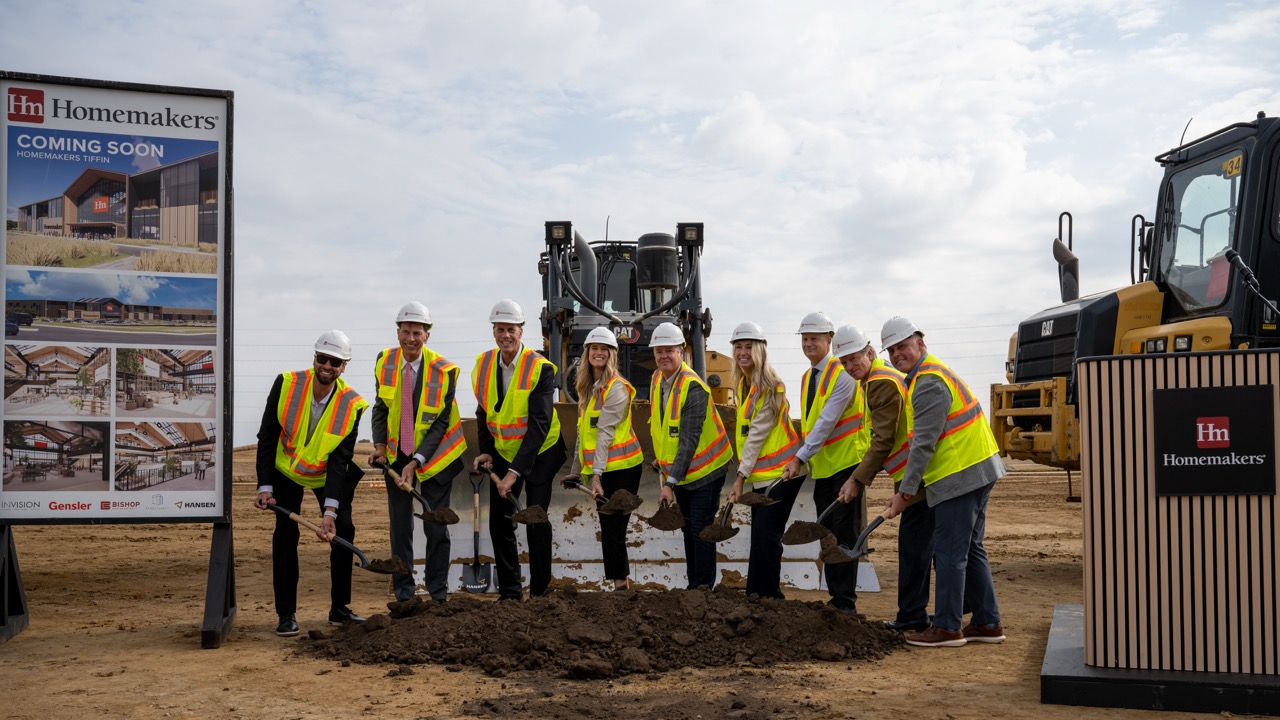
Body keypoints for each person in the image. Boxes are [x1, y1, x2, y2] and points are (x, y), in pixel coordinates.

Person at [880, 316, 1007, 648]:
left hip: (959, 473)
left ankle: (949, 627)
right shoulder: (928, 375)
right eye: (892, 351)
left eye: (902, 347)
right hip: (977, 467)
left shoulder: (928, 382)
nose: (897, 355)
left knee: (950, 552)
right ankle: (988, 622)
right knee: (970, 548)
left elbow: (923, 444)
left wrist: (905, 493)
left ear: (920, 343)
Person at [253, 330, 368, 637]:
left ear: (344, 367)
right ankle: (286, 614)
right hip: (286, 470)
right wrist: (265, 486)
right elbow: (266, 436)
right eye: (323, 358)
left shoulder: (352, 404)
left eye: (336, 362)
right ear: (314, 358)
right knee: (286, 532)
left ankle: (339, 609)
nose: (327, 366)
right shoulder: (287, 383)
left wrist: (330, 511)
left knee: (344, 528)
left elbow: (339, 459)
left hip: (325, 474)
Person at [369, 302, 467, 603]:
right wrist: (380, 445)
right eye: (405, 331)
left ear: (427, 335)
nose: (410, 339)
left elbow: (439, 423)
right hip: (397, 453)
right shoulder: (384, 361)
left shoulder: (445, 370)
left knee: (435, 524)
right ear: (398, 332)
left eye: (417, 333)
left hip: (437, 455)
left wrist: (416, 461)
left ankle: (437, 593)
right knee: (400, 525)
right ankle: (405, 592)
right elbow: (381, 407)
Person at [829, 325, 925, 630]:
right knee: (925, 547)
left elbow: (883, 439)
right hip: (912, 473)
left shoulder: (882, 382)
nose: (850, 366)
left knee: (915, 547)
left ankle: (913, 618)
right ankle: (956, 610)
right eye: (844, 362)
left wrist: (856, 479)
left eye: (855, 358)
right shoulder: (873, 379)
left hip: (918, 476)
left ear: (870, 352)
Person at [471, 299, 567, 601]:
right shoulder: (484, 364)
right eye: (500, 329)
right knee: (499, 522)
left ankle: (539, 593)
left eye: (511, 329)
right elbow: (483, 411)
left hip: (541, 452)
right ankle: (511, 593)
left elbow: (540, 424)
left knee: (535, 518)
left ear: (521, 331)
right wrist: (487, 450)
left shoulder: (540, 368)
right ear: (494, 331)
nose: (505, 335)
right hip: (502, 449)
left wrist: (513, 473)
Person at [782, 311, 862, 614]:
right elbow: (811, 423)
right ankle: (835, 598)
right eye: (804, 339)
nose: (808, 343)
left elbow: (827, 422)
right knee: (827, 535)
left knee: (843, 537)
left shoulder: (842, 375)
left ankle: (845, 603)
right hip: (824, 468)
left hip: (845, 466)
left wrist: (799, 457)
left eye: (814, 338)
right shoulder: (808, 377)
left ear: (830, 340)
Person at [650, 321, 732, 589]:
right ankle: (694, 586)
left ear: (682, 351)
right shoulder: (657, 380)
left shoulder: (693, 387)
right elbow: (662, 427)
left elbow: (688, 440)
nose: (663, 356)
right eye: (659, 351)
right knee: (688, 529)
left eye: (669, 350)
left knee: (700, 529)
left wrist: (670, 483)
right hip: (682, 471)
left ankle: (704, 587)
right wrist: (661, 461)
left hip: (707, 469)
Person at [562, 326, 644, 591]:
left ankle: (621, 587)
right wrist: (577, 471)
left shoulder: (617, 389)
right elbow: (583, 435)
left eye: (604, 349)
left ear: (612, 355)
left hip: (623, 469)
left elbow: (606, 433)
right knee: (610, 530)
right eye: (594, 349)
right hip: (602, 470)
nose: (598, 353)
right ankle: (621, 584)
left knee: (614, 530)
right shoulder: (587, 390)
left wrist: (595, 476)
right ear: (586, 354)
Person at [725, 322, 802, 599]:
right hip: (764, 475)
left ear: (760, 351)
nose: (743, 352)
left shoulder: (771, 385)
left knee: (766, 539)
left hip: (781, 474)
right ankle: (755, 595)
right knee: (760, 539)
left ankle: (769, 598)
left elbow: (757, 433)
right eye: (738, 347)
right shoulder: (746, 384)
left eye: (749, 347)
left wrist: (739, 478)